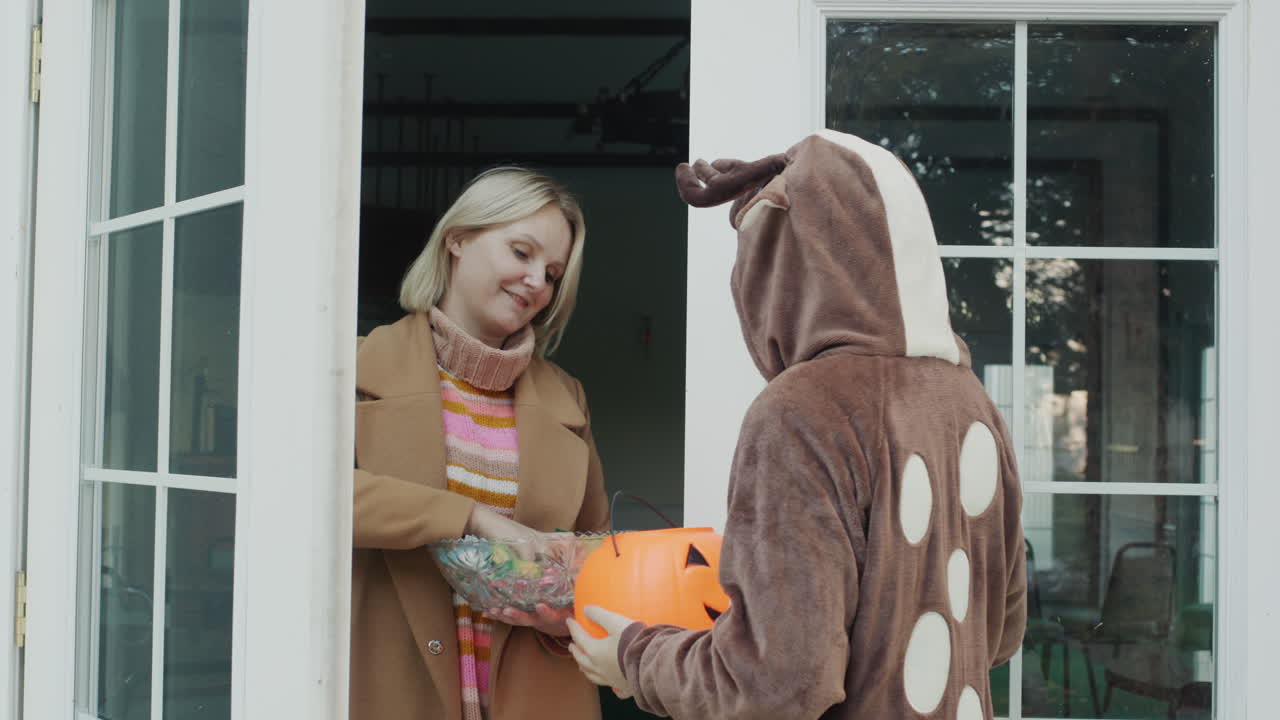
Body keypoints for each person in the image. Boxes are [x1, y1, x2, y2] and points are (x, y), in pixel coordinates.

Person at [568, 130, 1027, 720]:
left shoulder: (804, 409)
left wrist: (635, 657)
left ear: (780, 267)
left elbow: (779, 684)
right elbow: (1002, 632)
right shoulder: (972, 402)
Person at [352, 167, 608, 720]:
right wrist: (470, 516)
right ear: (458, 239)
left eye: (553, 272)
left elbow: (597, 555)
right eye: (521, 251)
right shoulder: (348, 369)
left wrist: (560, 618)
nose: (537, 280)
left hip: (538, 692)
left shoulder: (569, 399)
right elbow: (302, 495)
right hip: (390, 685)